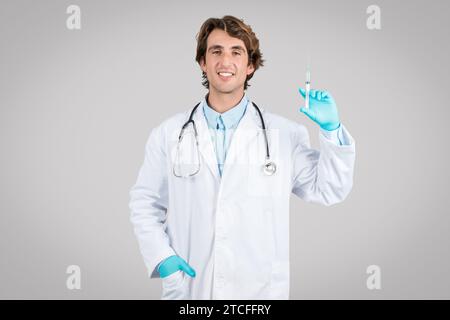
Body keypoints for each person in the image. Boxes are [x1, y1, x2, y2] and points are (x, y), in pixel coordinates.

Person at [129, 15, 355, 300]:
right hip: (191, 289)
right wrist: (162, 258)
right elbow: (144, 202)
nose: (226, 62)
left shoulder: (285, 135)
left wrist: (331, 130)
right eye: (216, 51)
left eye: (236, 52)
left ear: (250, 66)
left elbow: (329, 189)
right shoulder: (168, 133)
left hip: (259, 293)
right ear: (203, 62)